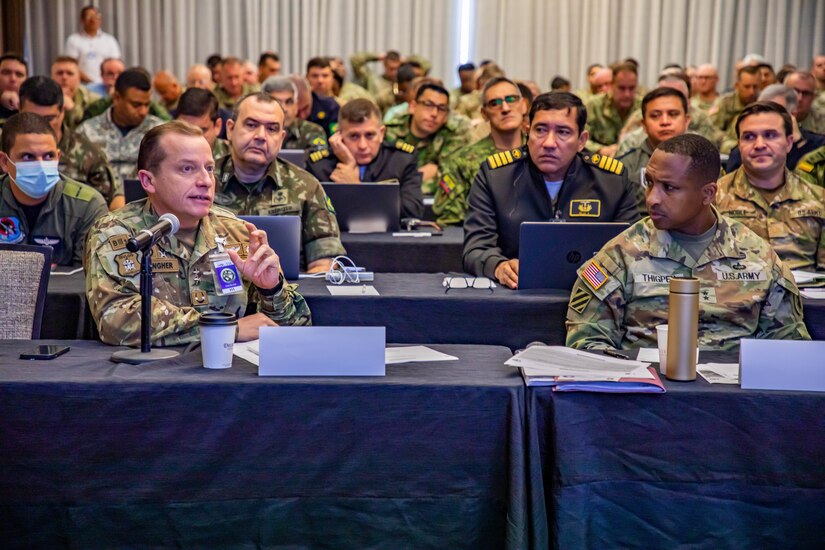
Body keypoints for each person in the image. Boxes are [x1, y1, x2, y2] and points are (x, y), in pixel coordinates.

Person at [566, 133, 809, 351]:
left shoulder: (759, 257)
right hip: (648, 393)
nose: (652, 199)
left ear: (708, 194)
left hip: (735, 394)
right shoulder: (620, 255)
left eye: (669, 188)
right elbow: (587, 343)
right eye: (650, 183)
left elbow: (789, 348)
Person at [85, 121, 311, 347]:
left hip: (228, 371)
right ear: (148, 180)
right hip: (150, 374)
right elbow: (116, 320)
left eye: (209, 168)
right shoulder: (119, 233)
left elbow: (292, 330)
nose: (205, 181)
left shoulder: (238, 233)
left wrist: (271, 290)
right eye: (187, 168)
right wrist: (224, 328)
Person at [463, 92, 640, 288]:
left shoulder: (611, 181)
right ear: (527, 132)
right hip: (515, 293)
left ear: (582, 140)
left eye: (563, 132)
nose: (548, 143)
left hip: (595, 293)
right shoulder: (495, 176)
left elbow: (632, 250)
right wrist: (498, 265)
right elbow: (476, 248)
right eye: (540, 130)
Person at [214, 92, 345, 273]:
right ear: (230, 129)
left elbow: (324, 263)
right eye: (251, 125)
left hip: (286, 295)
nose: (261, 136)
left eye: (272, 129)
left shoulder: (306, 187)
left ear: (281, 138)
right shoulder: (204, 182)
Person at [716, 102, 825, 271]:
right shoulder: (712, 199)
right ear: (739, 144)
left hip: (805, 293)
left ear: (789, 143)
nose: (759, 144)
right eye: (749, 137)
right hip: (735, 292)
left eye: (770, 135)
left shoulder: (819, 200)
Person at [0, 112, 107, 265]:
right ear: (4, 162)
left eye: (48, 156)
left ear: (58, 156)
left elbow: (88, 279)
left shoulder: (87, 206)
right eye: (28, 157)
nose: (41, 165)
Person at [306, 98, 422, 220]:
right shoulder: (320, 166)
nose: (363, 145)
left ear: (381, 133)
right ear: (339, 136)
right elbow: (314, 216)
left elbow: (412, 210)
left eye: (369, 135)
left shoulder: (401, 160)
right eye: (354, 136)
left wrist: (356, 187)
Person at [433, 76, 526, 226]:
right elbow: (451, 222)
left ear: (523, 106)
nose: (505, 108)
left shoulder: (543, 153)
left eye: (511, 99)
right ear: (484, 114)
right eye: (494, 103)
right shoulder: (461, 162)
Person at [18, 76, 121, 209]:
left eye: (49, 119)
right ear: (20, 111)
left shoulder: (89, 155)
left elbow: (106, 207)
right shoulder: (6, 150)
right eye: (33, 118)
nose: (40, 126)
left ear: (62, 113)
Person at [724, 84, 825, 186]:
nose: (759, 145)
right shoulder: (743, 151)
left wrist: (797, 141)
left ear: (792, 115)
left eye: (774, 111)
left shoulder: (819, 145)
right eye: (759, 109)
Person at [77, 68, 165, 185]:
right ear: (117, 98)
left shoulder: (159, 133)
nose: (143, 111)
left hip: (144, 200)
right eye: (136, 105)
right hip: (100, 200)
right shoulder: (87, 132)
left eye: (147, 104)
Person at [383, 82, 472, 195]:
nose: (434, 114)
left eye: (441, 108)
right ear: (412, 107)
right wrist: (419, 177)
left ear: (446, 115)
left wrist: (404, 181)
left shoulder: (453, 134)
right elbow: (381, 176)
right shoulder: (390, 130)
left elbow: (452, 178)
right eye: (428, 105)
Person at [618, 87, 691, 212]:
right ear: (644, 124)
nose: (665, 121)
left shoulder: (704, 163)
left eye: (673, 114)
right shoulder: (625, 166)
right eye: (655, 116)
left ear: (686, 121)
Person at [585, 62, 640, 156]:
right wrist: (600, 149)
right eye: (622, 88)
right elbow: (578, 138)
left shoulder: (643, 107)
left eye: (631, 88)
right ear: (611, 85)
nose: (627, 94)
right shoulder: (593, 105)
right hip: (599, 162)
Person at [261, 76, 327, 151]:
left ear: (296, 105)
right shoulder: (256, 133)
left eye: (289, 102)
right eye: (277, 102)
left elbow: (319, 162)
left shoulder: (312, 131)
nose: (284, 109)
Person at [63, 5, 122, 84]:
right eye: (89, 16)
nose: (93, 19)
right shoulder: (73, 40)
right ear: (82, 20)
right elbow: (71, 65)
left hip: (107, 85)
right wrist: (91, 82)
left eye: (96, 16)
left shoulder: (110, 40)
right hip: (82, 85)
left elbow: (115, 65)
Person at [175, 87, 228, 159]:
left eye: (201, 131)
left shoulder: (234, 158)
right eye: (184, 130)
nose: (192, 141)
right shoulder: (163, 155)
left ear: (217, 126)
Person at [51, 56, 100, 131]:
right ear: (52, 77)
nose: (64, 77)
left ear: (79, 78)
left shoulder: (94, 100)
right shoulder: (42, 99)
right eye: (59, 73)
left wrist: (71, 109)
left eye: (70, 73)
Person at [709, 65, 760, 134]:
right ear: (737, 85)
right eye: (747, 87)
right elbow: (712, 130)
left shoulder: (763, 102)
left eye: (755, 87)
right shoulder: (725, 102)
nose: (752, 92)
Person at [0, 53, 27, 127]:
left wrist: (21, 107)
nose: (13, 79)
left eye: (19, 74)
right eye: (6, 73)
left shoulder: (33, 107)